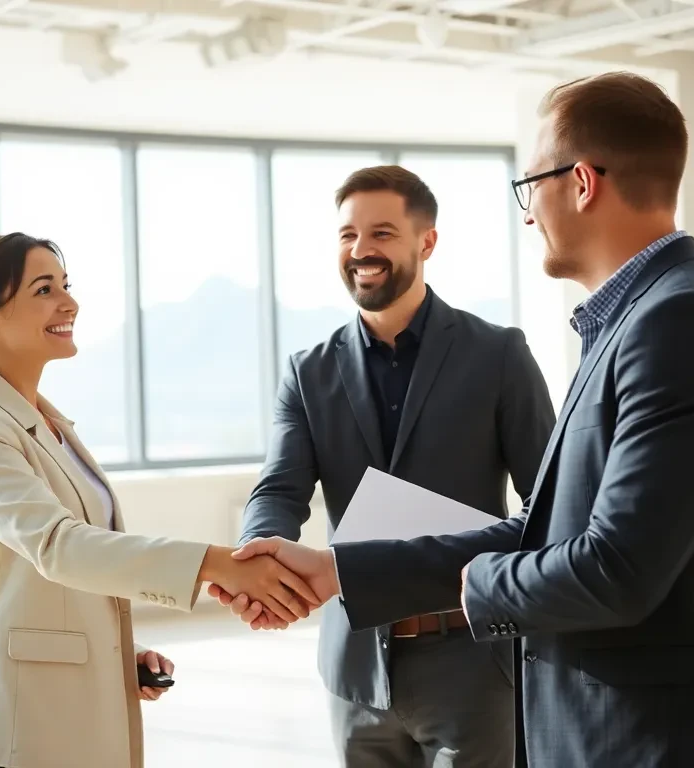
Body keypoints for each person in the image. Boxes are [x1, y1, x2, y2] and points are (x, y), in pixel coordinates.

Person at [234, 72, 694, 768]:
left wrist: (475, 586)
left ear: (583, 183)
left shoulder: (682, 324)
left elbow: (615, 567)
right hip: (595, 724)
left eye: (530, 184)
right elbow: (551, 530)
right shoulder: (633, 324)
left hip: (660, 739)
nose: (527, 211)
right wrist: (337, 571)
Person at [0, 233, 320, 768]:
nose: (69, 302)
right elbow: (61, 546)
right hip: (13, 722)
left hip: (61, 702)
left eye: (65, 285)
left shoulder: (45, 422)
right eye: (43, 290)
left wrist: (115, 658)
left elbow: (52, 575)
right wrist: (221, 565)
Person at [209, 166, 556, 767]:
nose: (361, 250)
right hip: (356, 666)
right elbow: (280, 489)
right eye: (347, 235)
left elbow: (550, 503)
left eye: (383, 233)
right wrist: (258, 558)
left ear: (427, 242)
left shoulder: (499, 354)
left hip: (472, 655)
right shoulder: (308, 370)